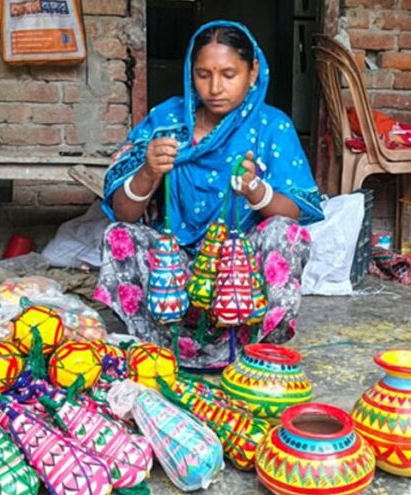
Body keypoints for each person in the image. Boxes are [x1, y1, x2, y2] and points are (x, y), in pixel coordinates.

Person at [95, 20, 324, 371]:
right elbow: (124, 213)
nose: (215, 87)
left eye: (229, 74)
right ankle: (158, 350)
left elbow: (294, 210)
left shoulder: (271, 126)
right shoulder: (166, 121)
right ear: (191, 74)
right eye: (203, 75)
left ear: (253, 72)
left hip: (238, 266)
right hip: (173, 265)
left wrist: (255, 189)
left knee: (286, 234)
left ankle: (258, 350)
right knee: (119, 237)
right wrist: (149, 170)